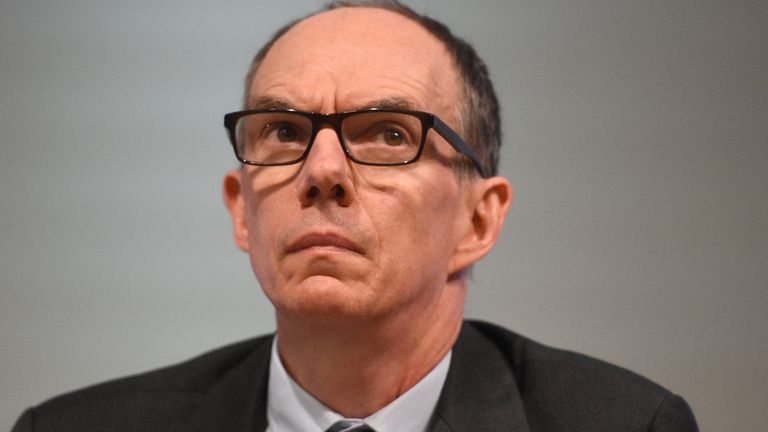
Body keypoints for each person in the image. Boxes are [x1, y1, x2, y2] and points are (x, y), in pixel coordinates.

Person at [12, 1, 699, 431]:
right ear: (242, 210)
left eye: (389, 134)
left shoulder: (624, 423)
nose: (323, 172)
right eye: (282, 131)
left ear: (478, 222)